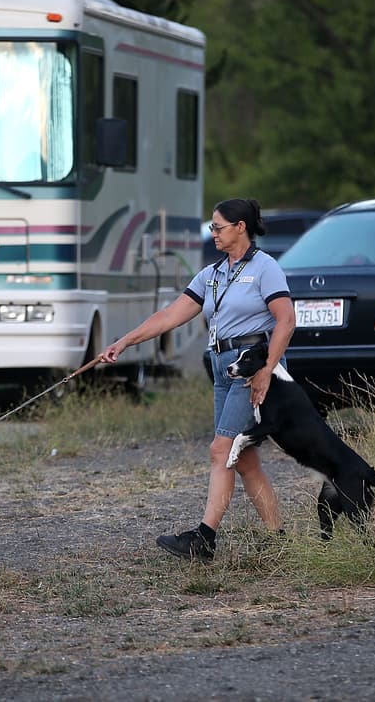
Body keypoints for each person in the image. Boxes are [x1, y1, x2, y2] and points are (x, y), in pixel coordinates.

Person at [99, 198, 296, 561]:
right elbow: (171, 315)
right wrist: (124, 341)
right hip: (221, 367)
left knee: (221, 451)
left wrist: (267, 369)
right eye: (212, 227)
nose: (213, 233)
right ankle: (279, 538)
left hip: (249, 367)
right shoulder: (212, 274)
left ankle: (204, 538)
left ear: (241, 227)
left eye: (219, 227)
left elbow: (286, 320)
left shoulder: (265, 268)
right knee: (244, 457)